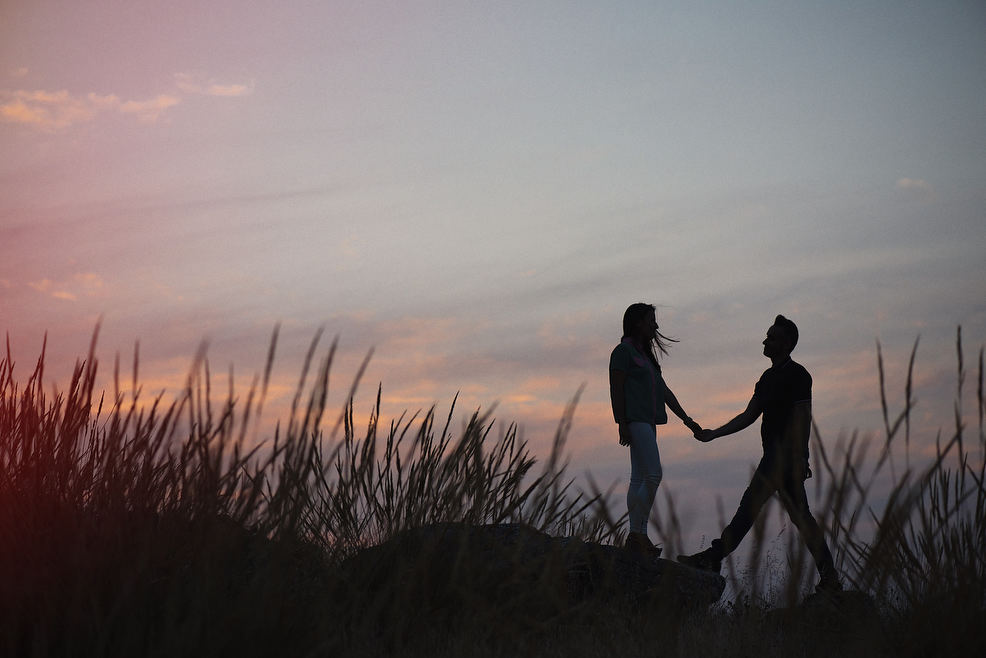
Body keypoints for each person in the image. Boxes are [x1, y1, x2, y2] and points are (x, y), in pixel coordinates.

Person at [678, 315, 841, 592]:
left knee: (751, 511)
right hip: (772, 458)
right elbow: (748, 416)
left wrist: (802, 458)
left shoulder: (799, 375)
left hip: (785, 459)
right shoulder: (766, 379)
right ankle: (830, 577)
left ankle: (713, 557)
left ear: (787, 344)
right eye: (766, 336)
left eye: (772, 337)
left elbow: (803, 417)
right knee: (799, 517)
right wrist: (712, 434)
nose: (765, 341)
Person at [609, 303, 702, 557]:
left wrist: (687, 419)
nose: (656, 326)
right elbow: (616, 388)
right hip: (635, 421)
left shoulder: (646, 357)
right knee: (653, 475)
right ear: (638, 323)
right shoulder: (623, 352)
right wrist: (622, 422)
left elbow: (664, 392)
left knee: (639, 477)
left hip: (647, 422)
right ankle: (637, 534)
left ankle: (638, 536)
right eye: (651, 320)